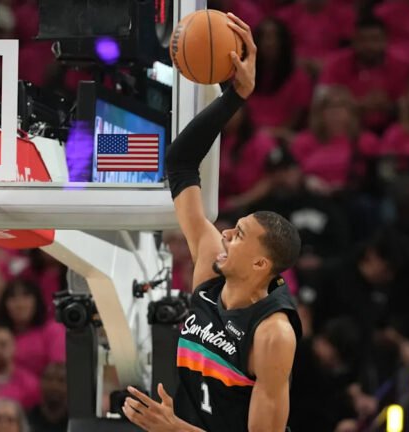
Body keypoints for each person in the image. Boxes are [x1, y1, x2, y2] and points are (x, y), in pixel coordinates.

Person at [122, 13, 302, 432]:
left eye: (239, 235)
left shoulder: (273, 335)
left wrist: (174, 428)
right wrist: (236, 97)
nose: (225, 233)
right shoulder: (211, 263)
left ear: (261, 264)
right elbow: (181, 164)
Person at [27, 362, 68, 432]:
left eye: (61, 380)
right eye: (49, 379)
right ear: (40, 383)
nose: (54, 386)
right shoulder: (28, 420)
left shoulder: (76, 421)